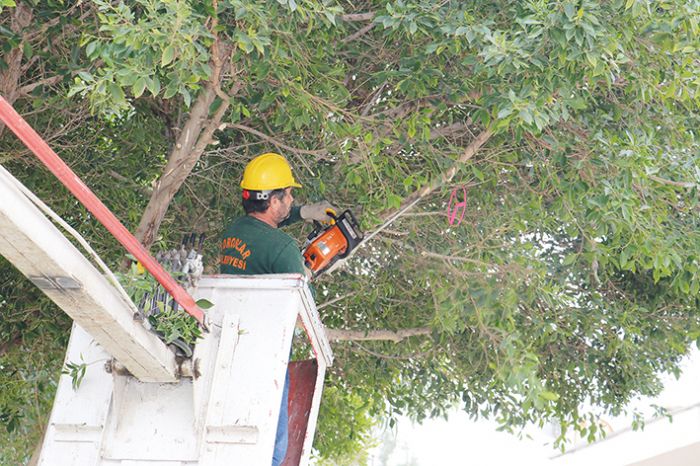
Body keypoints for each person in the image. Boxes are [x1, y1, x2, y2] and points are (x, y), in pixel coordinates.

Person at [219, 152, 334, 466]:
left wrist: (305, 212)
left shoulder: (232, 232)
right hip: (264, 352)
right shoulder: (283, 248)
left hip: (227, 342)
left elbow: (266, 226)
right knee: (272, 451)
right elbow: (302, 310)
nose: (292, 198)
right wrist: (308, 273)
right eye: (288, 194)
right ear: (273, 200)